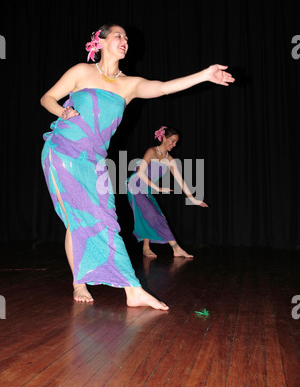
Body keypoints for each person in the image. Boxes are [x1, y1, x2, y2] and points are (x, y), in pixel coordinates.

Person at [40, 23, 235, 310]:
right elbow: (46, 98)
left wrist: (205, 75)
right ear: (100, 41)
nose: (125, 41)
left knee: (104, 220)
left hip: (94, 162)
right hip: (63, 152)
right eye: (119, 36)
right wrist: (63, 111)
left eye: (127, 38)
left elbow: (165, 87)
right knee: (77, 217)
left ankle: (130, 291)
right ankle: (87, 282)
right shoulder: (81, 72)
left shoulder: (129, 85)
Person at [127, 126, 208, 259]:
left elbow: (180, 180)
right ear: (164, 138)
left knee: (155, 215)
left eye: (176, 142)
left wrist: (192, 198)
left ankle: (147, 247)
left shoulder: (169, 159)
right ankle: (176, 248)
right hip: (134, 186)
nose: (174, 144)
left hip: (146, 188)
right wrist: (158, 189)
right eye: (172, 141)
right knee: (152, 215)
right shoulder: (152, 151)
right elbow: (140, 173)